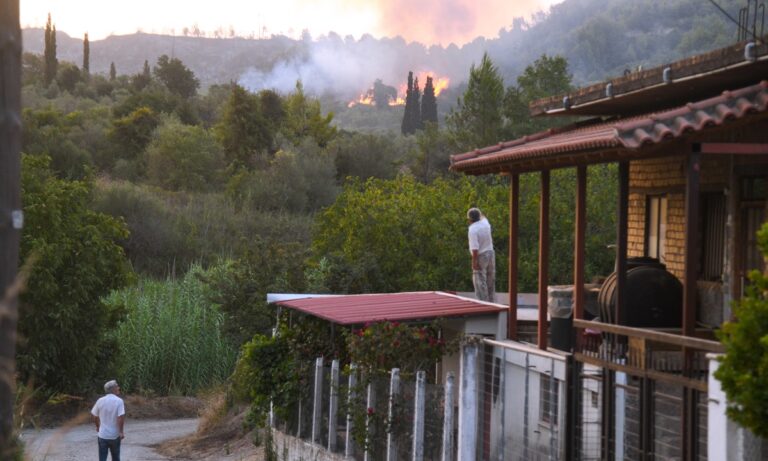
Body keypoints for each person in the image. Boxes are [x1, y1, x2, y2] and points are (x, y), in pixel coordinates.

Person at [91, 379, 125, 461]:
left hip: (102, 435)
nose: (118, 388)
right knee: (116, 458)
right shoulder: (119, 401)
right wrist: (121, 432)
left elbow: (95, 416)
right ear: (113, 389)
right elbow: (121, 417)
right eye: (117, 386)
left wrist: (98, 426)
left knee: (102, 458)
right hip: (115, 435)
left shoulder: (100, 400)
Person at [467, 207, 495, 302]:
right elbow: (483, 216)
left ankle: (483, 304)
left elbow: (475, 249)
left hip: (481, 255)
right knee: (490, 280)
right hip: (490, 253)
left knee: (480, 282)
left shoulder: (473, 230)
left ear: (470, 219)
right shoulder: (485, 223)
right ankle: (492, 303)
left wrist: (474, 263)